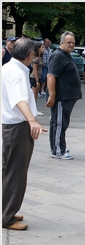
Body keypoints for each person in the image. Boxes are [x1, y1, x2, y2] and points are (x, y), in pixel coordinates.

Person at [2, 37, 47, 230]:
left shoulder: (8, 68)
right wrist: (32, 121)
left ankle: (7, 210)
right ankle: (7, 217)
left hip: (11, 125)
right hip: (18, 127)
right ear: (30, 55)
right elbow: (20, 100)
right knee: (16, 173)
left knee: (10, 171)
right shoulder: (17, 73)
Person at [46, 31, 82, 160]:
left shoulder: (66, 55)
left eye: (73, 42)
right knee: (59, 123)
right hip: (61, 97)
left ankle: (59, 147)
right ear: (62, 42)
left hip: (67, 97)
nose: (71, 44)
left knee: (61, 123)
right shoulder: (58, 56)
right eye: (69, 42)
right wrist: (52, 95)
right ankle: (58, 151)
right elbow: (51, 76)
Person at [29, 41, 45, 116]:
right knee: (34, 95)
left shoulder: (39, 57)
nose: (43, 48)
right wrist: (37, 80)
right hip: (35, 78)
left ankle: (33, 109)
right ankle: (33, 110)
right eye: (42, 47)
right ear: (38, 49)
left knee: (35, 95)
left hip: (38, 77)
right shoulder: (36, 59)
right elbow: (34, 69)